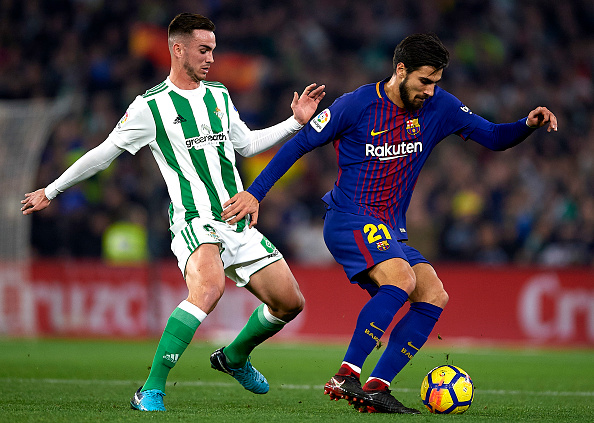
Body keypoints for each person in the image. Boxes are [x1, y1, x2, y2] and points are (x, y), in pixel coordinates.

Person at [221, 33, 558, 414]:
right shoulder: (356, 105)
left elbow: (494, 137)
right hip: (349, 219)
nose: (431, 91)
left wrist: (527, 124)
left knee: (433, 295)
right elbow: (299, 145)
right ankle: (346, 375)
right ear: (401, 70)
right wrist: (256, 193)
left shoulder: (440, 107)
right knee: (401, 279)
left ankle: (377, 386)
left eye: (436, 83)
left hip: (389, 230)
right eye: (424, 81)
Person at [21, 13, 325, 412]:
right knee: (209, 288)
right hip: (193, 219)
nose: (211, 58)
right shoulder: (150, 107)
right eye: (203, 50)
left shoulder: (218, 95)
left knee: (290, 303)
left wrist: (294, 122)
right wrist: (51, 189)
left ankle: (233, 356)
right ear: (177, 49)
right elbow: (103, 153)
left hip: (237, 219)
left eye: (213, 50)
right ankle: (149, 389)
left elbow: (248, 144)